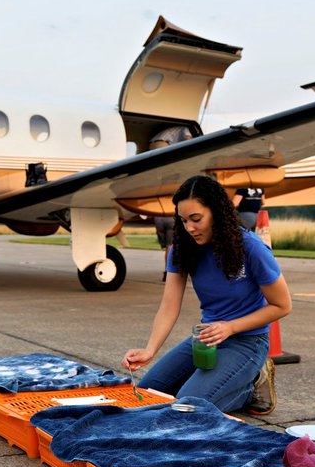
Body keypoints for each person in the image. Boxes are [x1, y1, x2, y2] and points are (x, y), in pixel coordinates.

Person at [122, 175, 291, 415]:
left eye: (196, 219)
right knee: (144, 398)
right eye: (183, 220)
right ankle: (216, 385)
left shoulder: (251, 247)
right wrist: (150, 349)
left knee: (184, 409)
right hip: (207, 339)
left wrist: (230, 327)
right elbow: (169, 305)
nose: (189, 228)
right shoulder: (182, 249)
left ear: (216, 213)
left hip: (247, 341)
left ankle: (248, 388)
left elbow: (282, 305)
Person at [148, 127, 192, 281]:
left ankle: (167, 271)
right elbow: (188, 140)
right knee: (172, 247)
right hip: (170, 218)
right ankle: (170, 273)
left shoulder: (159, 185)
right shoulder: (177, 187)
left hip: (158, 218)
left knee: (166, 247)